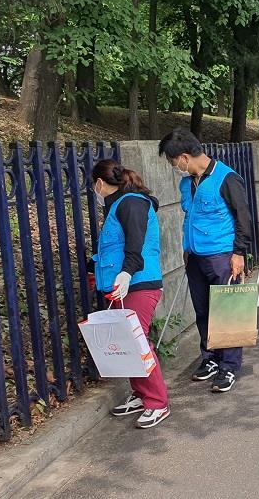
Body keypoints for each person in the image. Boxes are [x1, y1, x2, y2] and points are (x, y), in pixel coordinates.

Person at [158, 128, 254, 394]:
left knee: (227, 311)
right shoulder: (188, 183)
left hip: (222, 255)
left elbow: (242, 218)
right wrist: (186, 248)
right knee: (203, 311)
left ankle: (229, 366)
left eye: (173, 161)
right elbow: (189, 217)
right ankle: (210, 358)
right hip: (195, 257)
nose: (174, 167)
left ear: (185, 157)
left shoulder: (227, 178)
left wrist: (238, 253)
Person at [90, 159, 170, 428]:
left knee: (137, 342)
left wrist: (126, 272)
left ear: (100, 183)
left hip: (138, 284)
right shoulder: (119, 205)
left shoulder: (131, 203)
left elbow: (135, 244)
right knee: (128, 343)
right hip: (123, 286)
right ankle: (141, 394)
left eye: (94, 186)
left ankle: (157, 402)